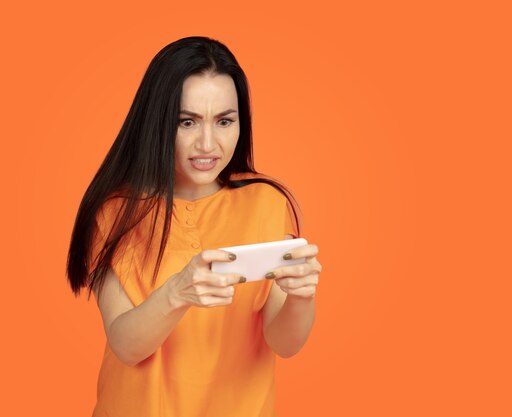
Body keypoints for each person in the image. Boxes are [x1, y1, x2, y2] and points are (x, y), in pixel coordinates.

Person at [66, 36, 322, 417]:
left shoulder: (267, 204)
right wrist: (178, 293)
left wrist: (302, 298)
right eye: (187, 122)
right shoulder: (115, 211)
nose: (208, 144)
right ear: (157, 122)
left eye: (224, 121)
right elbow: (125, 345)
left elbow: (283, 343)